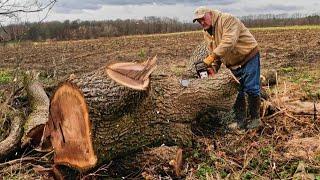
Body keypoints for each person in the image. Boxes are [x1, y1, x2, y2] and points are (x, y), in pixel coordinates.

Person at [193, 6, 262, 129]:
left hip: (248, 57)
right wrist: (213, 68)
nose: (202, 23)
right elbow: (214, 52)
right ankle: (241, 122)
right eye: (199, 21)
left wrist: (211, 57)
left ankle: (256, 119)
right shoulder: (206, 32)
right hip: (233, 63)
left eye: (203, 19)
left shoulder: (227, 20)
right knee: (236, 93)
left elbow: (229, 41)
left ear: (210, 14)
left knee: (251, 88)